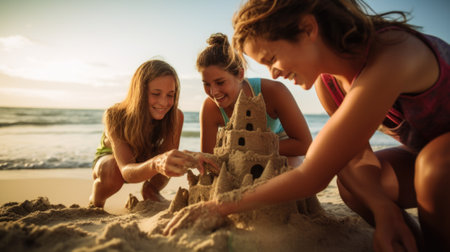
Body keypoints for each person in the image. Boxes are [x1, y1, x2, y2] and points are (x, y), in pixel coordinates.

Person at [164, 1, 450, 251]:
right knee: (353, 183)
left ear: (307, 29)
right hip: (424, 155)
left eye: (272, 58)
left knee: (434, 166)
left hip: (438, 162)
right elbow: (355, 155)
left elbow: (313, 174)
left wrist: (220, 207)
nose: (272, 72)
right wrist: (382, 207)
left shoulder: (393, 54)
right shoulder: (329, 84)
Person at [90, 59, 216, 208]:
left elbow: (167, 154)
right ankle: (96, 200)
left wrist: (193, 159)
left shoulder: (175, 116)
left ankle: (151, 191)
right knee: (114, 168)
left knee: (170, 156)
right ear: (139, 92)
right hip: (114, 164)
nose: (163, 102)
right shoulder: (115, 115)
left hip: (146, 156)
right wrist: (157, 162)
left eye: (170, 95)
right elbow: (126, 171)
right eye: (156, 93)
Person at [197, 33, 312, 167]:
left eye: (220, 82)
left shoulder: (274, 92)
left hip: (279, 143)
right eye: (206, 84)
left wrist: (249, 146)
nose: (213, 92)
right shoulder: (210, 108)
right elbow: (209, 160)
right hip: (238, 150)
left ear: (240, 74)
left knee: (288, 172)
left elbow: (304, 144)